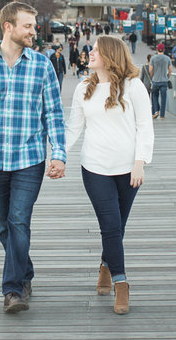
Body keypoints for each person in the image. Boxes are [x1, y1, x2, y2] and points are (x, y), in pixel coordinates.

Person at [0, 1, 66, 314]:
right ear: (8, 27)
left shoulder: (42, 65)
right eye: (28, 26)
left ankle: (12, 291)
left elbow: (54, 114)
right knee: (5, 227)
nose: (34, 31)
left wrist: (58, 154)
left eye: (34, 26)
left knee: (19, 220)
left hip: (29, 159)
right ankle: (25, 272)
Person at [65, 35, 153, 315]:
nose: (89, 53)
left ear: (110, 55)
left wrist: (140, 162)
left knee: (117, 226)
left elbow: (144, 127)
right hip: (95, 168)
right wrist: (55, 153)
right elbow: (73, 129)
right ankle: (121, 282)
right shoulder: (82, 89)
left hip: (128, 169)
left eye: (95, 50)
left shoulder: (134, 86)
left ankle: (105, 265)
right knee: (111, 225)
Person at [145, 43, 172, 120]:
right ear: (164, 50)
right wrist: (167, 76)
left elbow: (150, 70)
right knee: (163, 98)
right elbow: (170, 70)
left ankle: (156, 111)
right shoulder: (167, 58)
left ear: (157, 49)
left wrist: (153, 76)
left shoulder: (153, 58)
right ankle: (162, 115)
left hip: (155, 81)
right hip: (164, 81)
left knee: (154, 96)